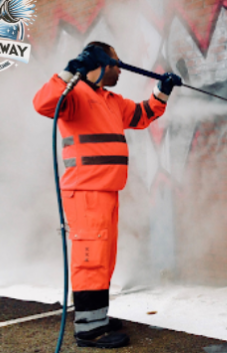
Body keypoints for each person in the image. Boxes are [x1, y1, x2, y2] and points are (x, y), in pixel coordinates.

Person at [33, 42, 182, 349]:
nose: (119, 69)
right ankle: (88, 330)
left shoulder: (110, 100)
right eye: (116, 63)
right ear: (99, 65)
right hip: (86, 191)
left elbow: (142, 115)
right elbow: (43, 103)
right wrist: (72, 68)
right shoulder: (74, 95)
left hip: (106, 190)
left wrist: (162, 91)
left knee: (104, 257)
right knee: (90, 258)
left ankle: (96, 316)